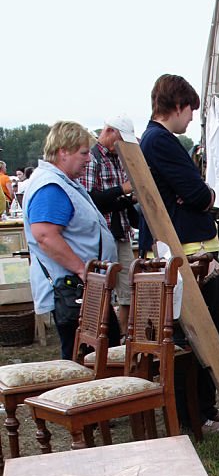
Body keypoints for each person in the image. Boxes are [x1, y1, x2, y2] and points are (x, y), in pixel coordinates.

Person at [140, 74, 219, 435]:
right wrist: (206, 195)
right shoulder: (160, 141)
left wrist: (196, 193)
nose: (191, 117)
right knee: (201, 335)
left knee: (204, 335)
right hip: (190, 254)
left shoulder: (156, 140)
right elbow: (196, 194)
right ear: (177, 106)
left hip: (190, 251)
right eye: (190, 109)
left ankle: (201, 408)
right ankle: (195, 413)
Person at [23, 121, 117, 359]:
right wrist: (82, 269)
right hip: (74, 290)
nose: (88, 159)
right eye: (83, 153)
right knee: (84, 361)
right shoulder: (51, 186)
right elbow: (45, 235)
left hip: (84, 289)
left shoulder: (62, 182)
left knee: (99, 355)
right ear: (63, 151)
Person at [80, 114, 139, 336]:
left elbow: (111, 201)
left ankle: (122, 336)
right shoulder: (92, 159)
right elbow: (90, 199)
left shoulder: (115, 159)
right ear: (110, 132)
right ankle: (100, 336)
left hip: (120, 231)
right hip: (101, 234)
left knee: (127, 288)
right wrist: (122, 191)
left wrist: (127, 199)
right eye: (121, 138)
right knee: (102, 288)